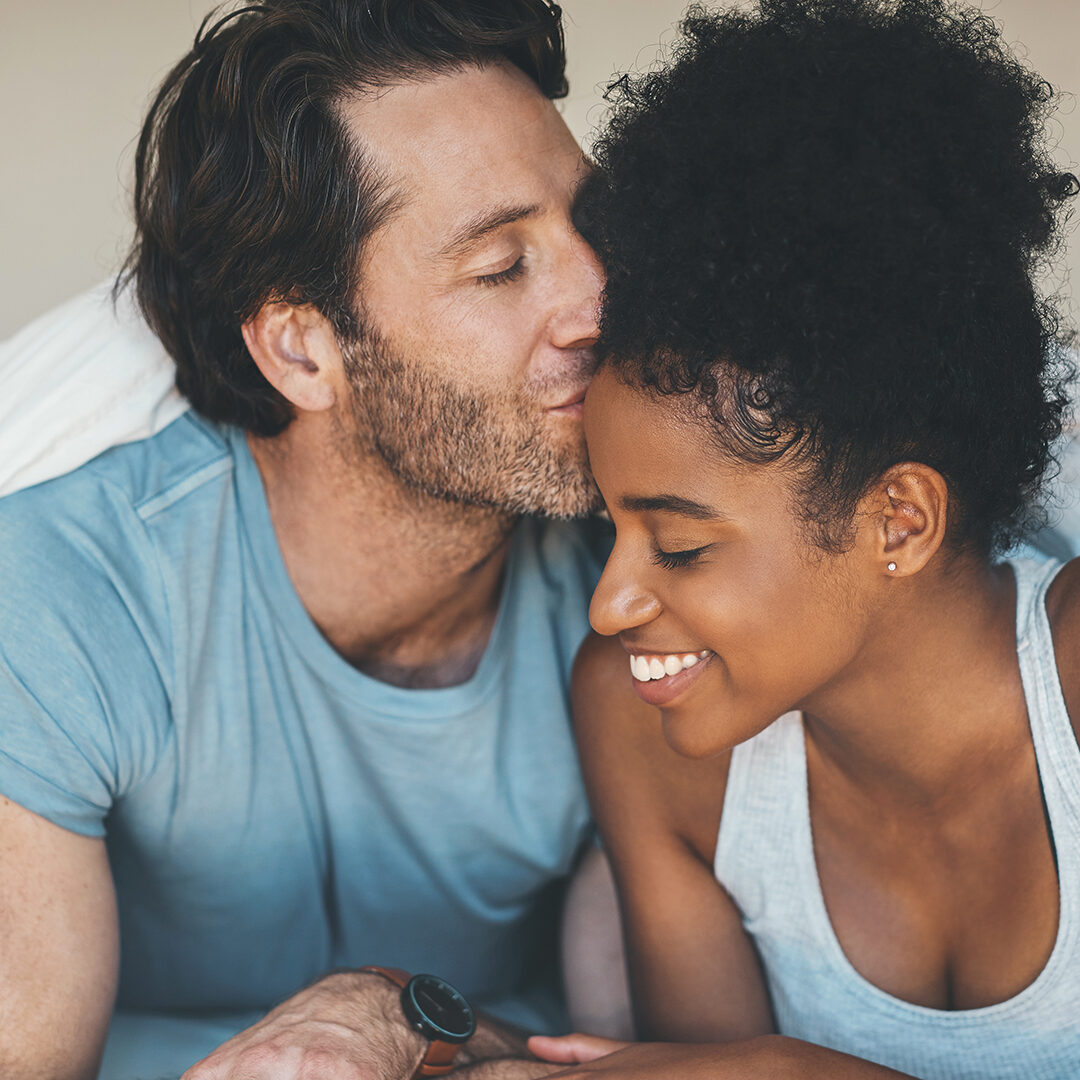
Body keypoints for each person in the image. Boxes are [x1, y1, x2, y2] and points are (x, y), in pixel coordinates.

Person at [0, 2, 619, 1079]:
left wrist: (390, 1011)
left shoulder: (646, 573)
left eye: (595, 227)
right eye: (500, 267)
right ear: (300, 347)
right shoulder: (65, 591)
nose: (600, 301)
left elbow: (650, 1057)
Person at [521, 0, 1080, 1077]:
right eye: (613, 530)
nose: (610, 605)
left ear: (899, 520)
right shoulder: (645, 730)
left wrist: (794, 1069)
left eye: (679, 547)